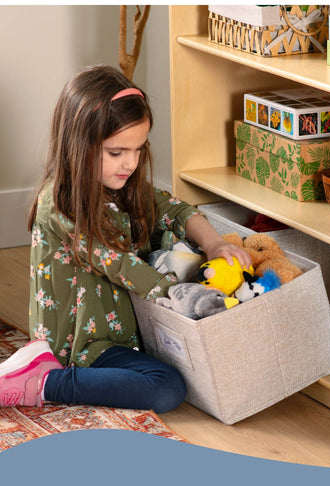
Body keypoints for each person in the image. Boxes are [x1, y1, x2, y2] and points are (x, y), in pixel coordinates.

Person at [0, 65, 251, 413]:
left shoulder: (122, 186)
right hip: (81, 345)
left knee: (198, 371)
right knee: (166, 388)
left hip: (126, 334)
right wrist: (175, 294)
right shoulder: (58, 204)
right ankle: (45, 382)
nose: (130, 163)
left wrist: (213, 243)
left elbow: (175, 209)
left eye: (138, 149)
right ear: (79, 144)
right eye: (116, 152)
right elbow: (116, 262)